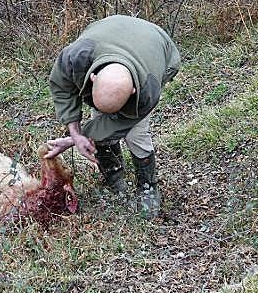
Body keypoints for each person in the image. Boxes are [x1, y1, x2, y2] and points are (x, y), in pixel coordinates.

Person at [45, 14, 181, 218]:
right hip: (110, 31)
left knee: (136, 133)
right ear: (93, 77)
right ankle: (113, 175)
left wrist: (73, 140)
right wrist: (75, 133)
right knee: (99, 117)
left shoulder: (147, 89)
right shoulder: (77, 55)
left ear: (133, 92)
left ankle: (148, 187)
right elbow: (61, 86)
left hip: (158, 46)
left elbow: (117, 123)